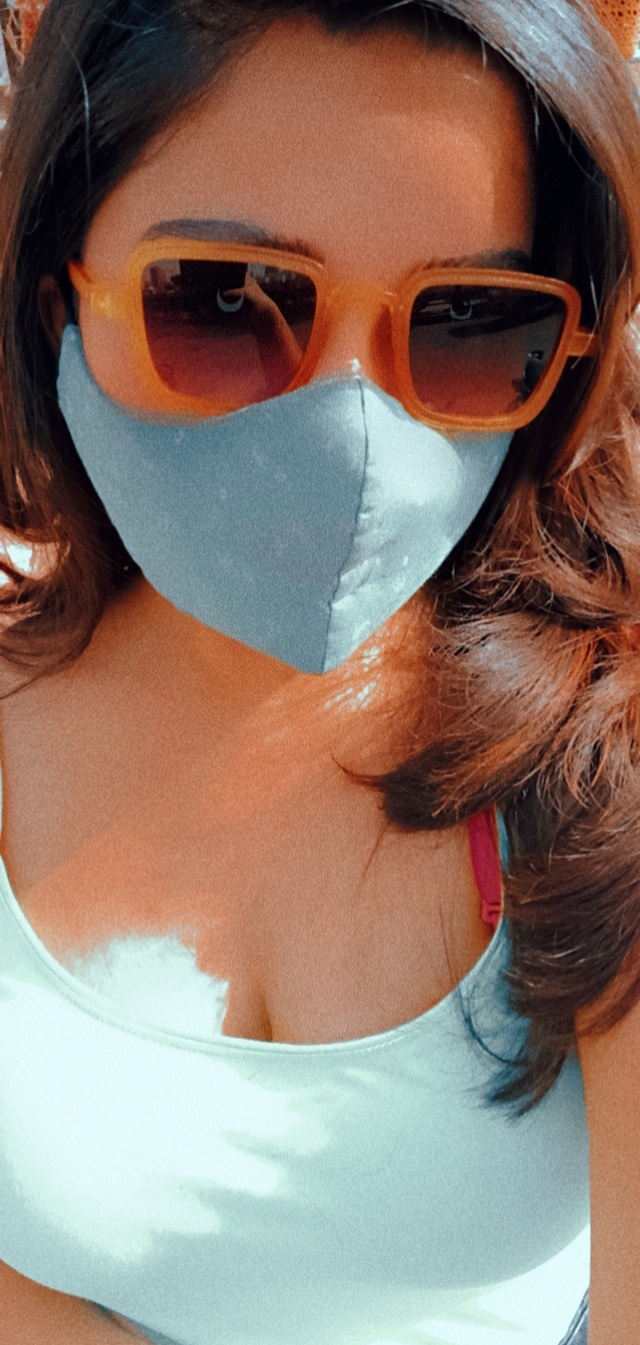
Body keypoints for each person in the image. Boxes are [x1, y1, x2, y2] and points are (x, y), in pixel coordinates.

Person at [0, 0, 639, 1341]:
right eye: (225, 300)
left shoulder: (602, 742)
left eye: (470, 318)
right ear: (59, 288)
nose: (354, 425)